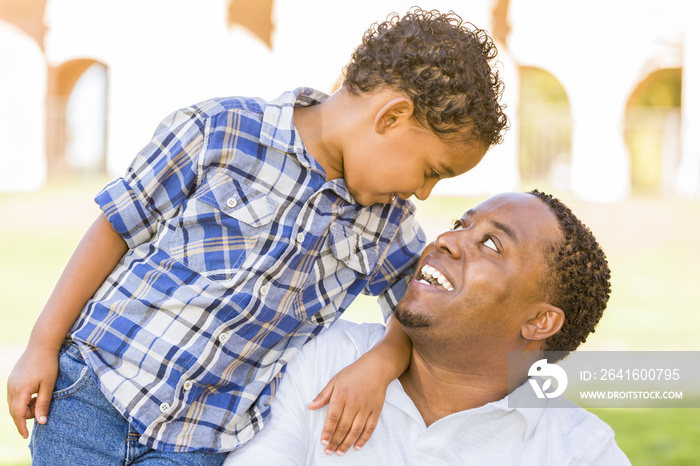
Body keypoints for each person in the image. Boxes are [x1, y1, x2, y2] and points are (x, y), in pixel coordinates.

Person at [6, 7, 508, 464]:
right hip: (91, 393)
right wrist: (41, 345)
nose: (423, 193)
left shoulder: (387, 223)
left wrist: (382, 362)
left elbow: (416, 309)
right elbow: (115, 227)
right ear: (391, 117)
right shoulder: (220, 131)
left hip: (200, 442)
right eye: (429, 171)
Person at [224, 190, 631, 465]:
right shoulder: (322, 357)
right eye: (461, 223)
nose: (446, 239)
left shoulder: (581, 452)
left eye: (491, 244)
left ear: (539, 321)